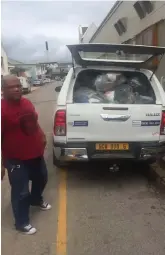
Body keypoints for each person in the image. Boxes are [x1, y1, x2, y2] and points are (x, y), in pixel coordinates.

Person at [1, 75, 51, 235]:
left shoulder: (27, 103)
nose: (17, 89)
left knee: (42, 178)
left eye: (18, 86)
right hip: (15, 158)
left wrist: (42, 134)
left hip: (35, 153)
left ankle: (36, 200)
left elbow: (34, 123)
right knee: (21, 191)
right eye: (11, 87)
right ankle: (21, 222)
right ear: (3, 90)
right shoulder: (2, 109)